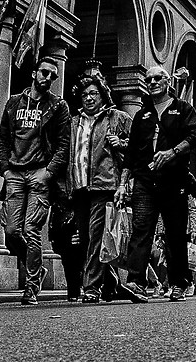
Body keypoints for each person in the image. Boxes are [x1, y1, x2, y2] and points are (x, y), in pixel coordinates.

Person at [54, 68, 135, 303]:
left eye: (94, 93)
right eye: (85, 95)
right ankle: (111, 283)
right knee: (87, 240)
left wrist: (121, 142)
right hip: (78, 188)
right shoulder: (73, 122)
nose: (89, 98)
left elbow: (140, 146)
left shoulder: (117, 117)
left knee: (96, 237)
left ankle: (90, 288)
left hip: (104, 186)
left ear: (102, 95)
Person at [0, 57, 69, 305]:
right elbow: (3, 137)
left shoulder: (58, 106)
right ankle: (36, 268)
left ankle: (31, 285)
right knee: (12, 231)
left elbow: (63, 144)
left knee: (31, 230)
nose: (48, 78)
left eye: (53, 76)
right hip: (15, 173)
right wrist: (5, 169)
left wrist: (48, 172)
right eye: (45, 73)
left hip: (40, 174)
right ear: (34, 73)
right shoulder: (14, 103)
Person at [122, 62, 196, 301]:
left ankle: (179, 282)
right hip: (145, 181)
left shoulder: (182, 109)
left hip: (174, 180)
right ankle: (136, 282)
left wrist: (172, 153)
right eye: (149, 80)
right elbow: (132, 151)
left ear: (168, 83)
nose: (153, 82)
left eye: (157, 79)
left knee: (175, 233)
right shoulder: (141, 115)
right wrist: (123, 182)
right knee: (141, 229)